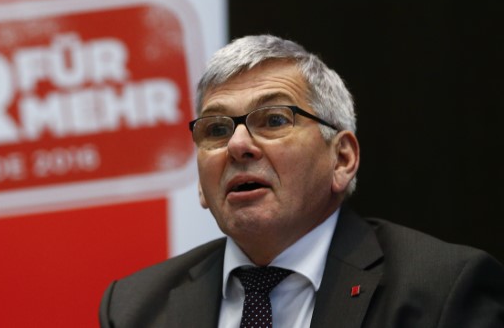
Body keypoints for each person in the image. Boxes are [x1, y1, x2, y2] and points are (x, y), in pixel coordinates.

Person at [99, 34, 504, 327]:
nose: (238, 145)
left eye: (274, 120)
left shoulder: (439, 289)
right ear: (201, 185)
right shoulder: (135, 308)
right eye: (216, 130)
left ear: (342, 159)